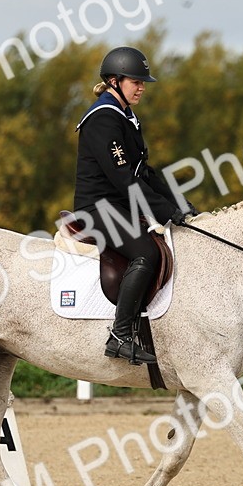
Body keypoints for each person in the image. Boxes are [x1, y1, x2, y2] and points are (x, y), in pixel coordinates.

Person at [73, 46, 194, 364]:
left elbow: (145, 174)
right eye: (135, 81)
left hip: (119, 207)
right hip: (97, 209)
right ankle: (120, 335)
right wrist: (166, 212)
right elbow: (124, 180)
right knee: (147, 252)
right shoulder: (103, 119)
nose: (141, 87)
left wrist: (180, 204)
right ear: (114, 81)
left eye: (142, 82)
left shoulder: (126, 118)